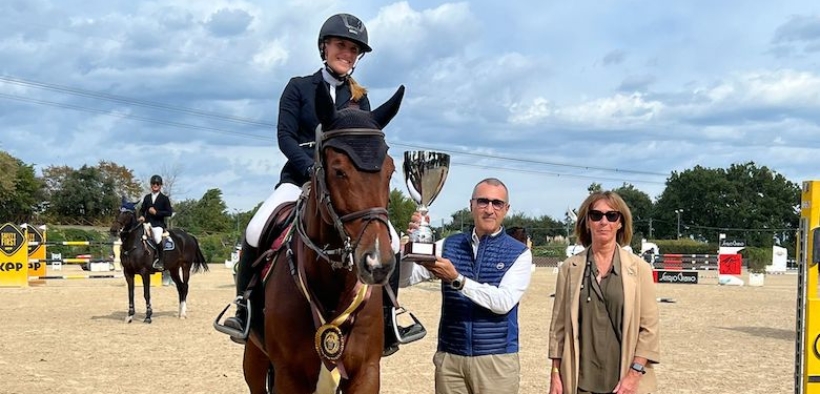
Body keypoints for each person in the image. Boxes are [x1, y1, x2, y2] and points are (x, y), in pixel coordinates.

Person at [220, 13, 424, 353]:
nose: (347, 53)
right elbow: (285, 137)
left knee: (391, 240)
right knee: (256, 228)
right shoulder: (299, 87)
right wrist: (311, 169)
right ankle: (243, 308)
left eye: (353, 49)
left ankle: (390, 317)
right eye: (341, 45)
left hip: (343, 187)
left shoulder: (359, 99)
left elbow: (363, 149)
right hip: (299, 179)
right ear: (324, 47)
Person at [400, 177, 533, 394]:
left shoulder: (519, 253)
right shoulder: (448, 245)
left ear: (506, 209)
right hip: (451, 358)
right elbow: (404, 280)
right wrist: (410, 247)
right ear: (471, 205)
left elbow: (503, 302)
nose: (489, 209)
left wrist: (457, 280)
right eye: (483, 201)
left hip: (496, 361)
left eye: (497, 203)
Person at [548, 191, 659, 394]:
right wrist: (555, 373)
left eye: (612, 215)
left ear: (620, 223)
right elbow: (558, 328)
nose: (604, 221)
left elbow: (649, 329)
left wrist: (634, 374)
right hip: (579, 381)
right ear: (587, 222)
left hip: (624, 383)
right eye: (596, 215)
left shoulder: (639, 269)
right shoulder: (569, 268)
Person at [137, 175, 173, 270]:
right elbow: (142, 209)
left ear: (160, 185)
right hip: (147, 223)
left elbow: (169, 212)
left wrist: (156, 213)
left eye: (157, 183)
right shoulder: (147, 197)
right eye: (153, 183)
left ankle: (161, 260)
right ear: (151, 185)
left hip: (158, 224)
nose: (155, 185)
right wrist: (141, 216)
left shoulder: (164, 198)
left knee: (157, 238)